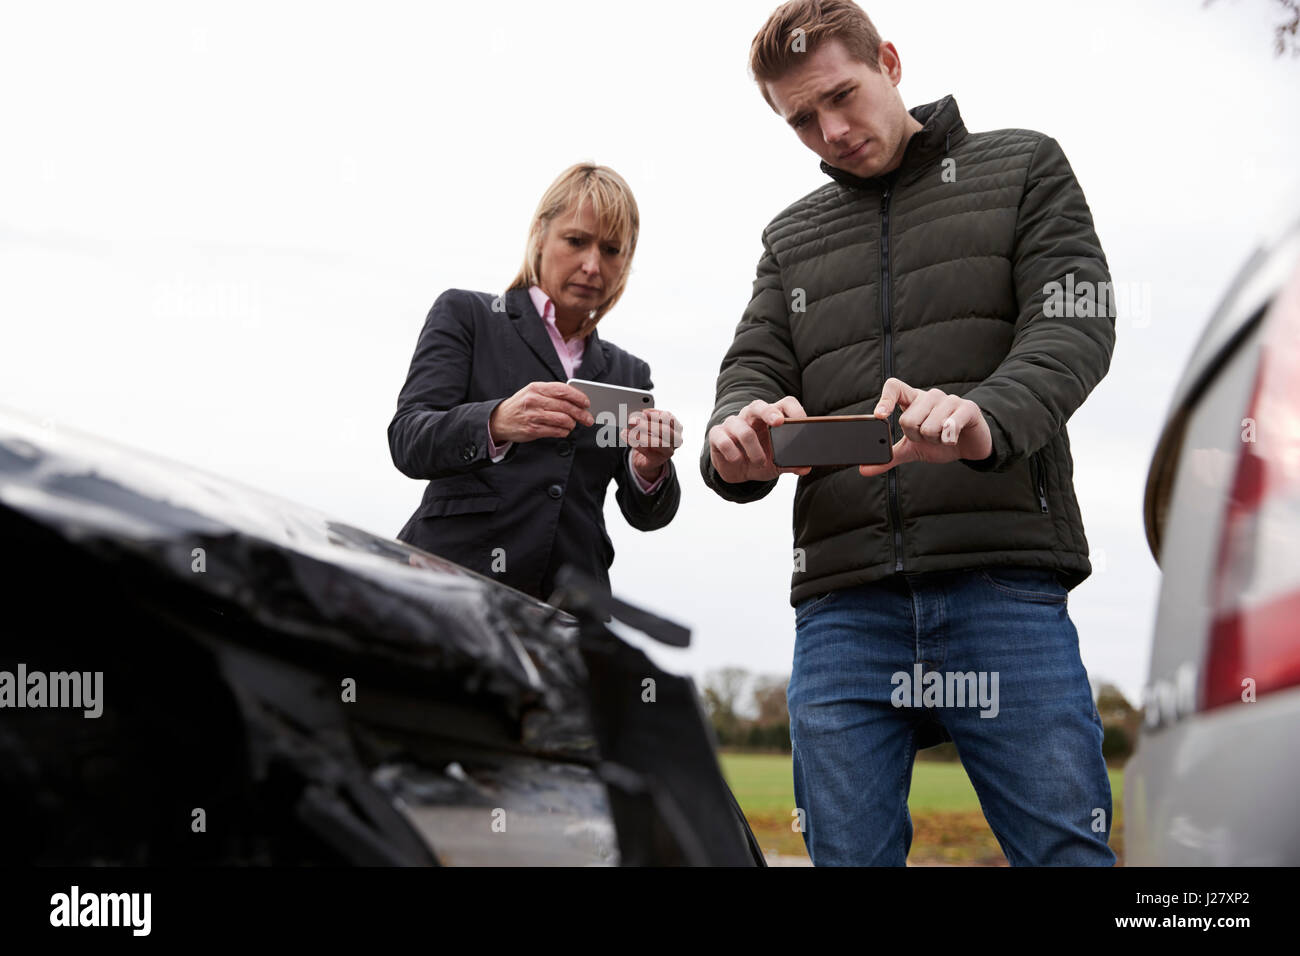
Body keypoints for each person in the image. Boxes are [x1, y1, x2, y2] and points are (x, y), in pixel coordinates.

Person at [701, 0, 1117, 865]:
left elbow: (1073, 325)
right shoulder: (789, 238)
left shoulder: (1023, 165)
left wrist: (984, 417)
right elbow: (751, 372)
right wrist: (735, 432)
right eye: (802, 121)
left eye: (841, 97)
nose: (830, 131)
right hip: (842, 608)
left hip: (1001, 584)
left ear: (889, 59)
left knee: (1064, 856)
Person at [390, 162, 682, 602]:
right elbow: (408, 439)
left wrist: (649, 468)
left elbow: (647, 516)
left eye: (611, 250)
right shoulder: (466, 316)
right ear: (541, 235)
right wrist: (496, 421)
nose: (591, 265)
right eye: (576, 241)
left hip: (568, 612)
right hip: (446, 585)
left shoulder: (629, 373)